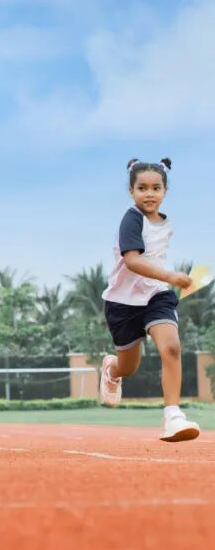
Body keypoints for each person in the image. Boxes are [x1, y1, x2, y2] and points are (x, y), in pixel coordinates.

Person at [97, 158, 199, 442]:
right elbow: (132, 261)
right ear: (131, 191)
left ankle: (173, 416)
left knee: (172, 348)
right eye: (142, 188)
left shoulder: (166, 223)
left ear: (165, 191)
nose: (149, 194)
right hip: (122, 303)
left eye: (156, 188)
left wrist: (168, 281)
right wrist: (171, 275)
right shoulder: (131, 219)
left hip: (156, 295)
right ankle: (112, 370)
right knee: (128, 367)